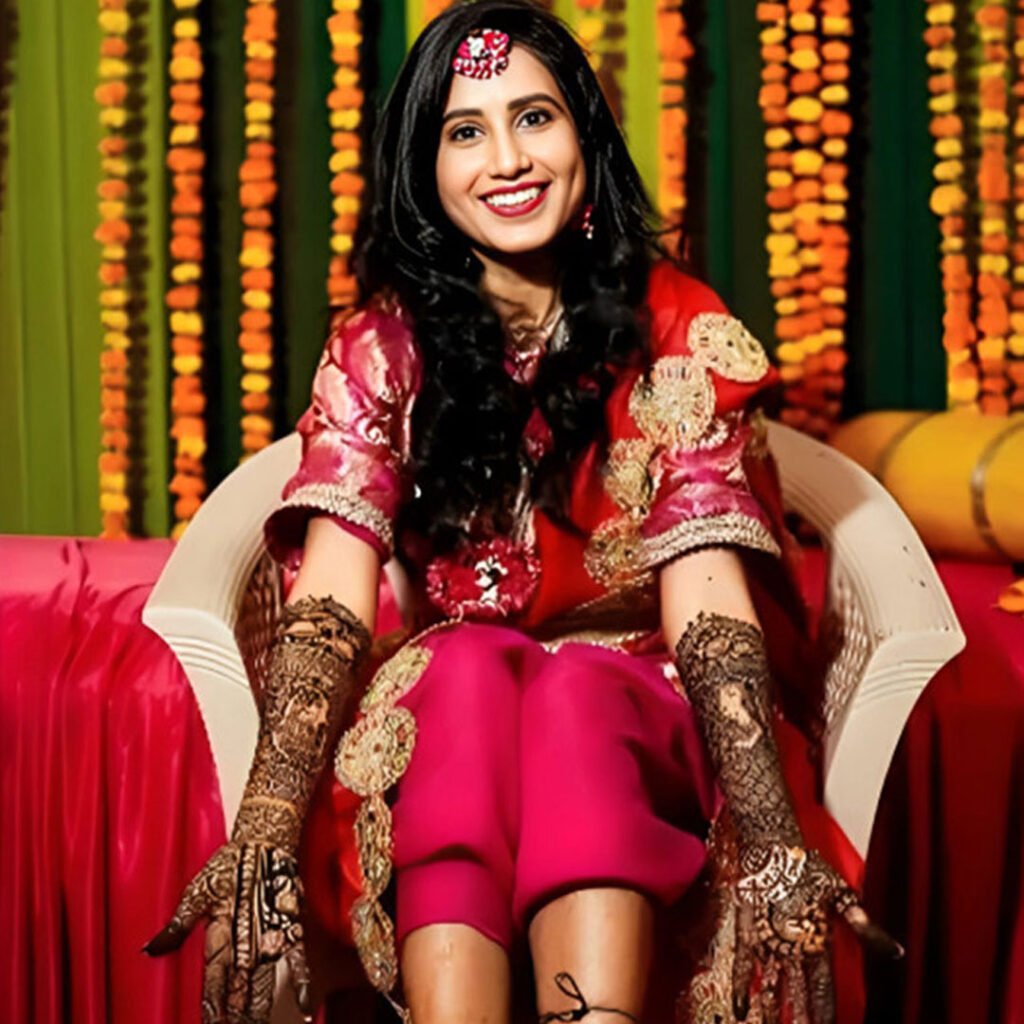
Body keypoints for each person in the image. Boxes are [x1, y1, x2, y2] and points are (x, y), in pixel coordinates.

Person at [145, 2, 901, 1021]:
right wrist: (266, 825)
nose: (507, 159)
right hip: (458, 733)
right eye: (466, 131)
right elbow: (329, 597)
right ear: (425, 169)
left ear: (586, 134)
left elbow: (707, 595)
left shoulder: (677, 327)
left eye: (534, 117)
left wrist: (771, 835)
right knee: (462, 673)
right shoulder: (384, 347)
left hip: (649, 719)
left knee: (577, 695)